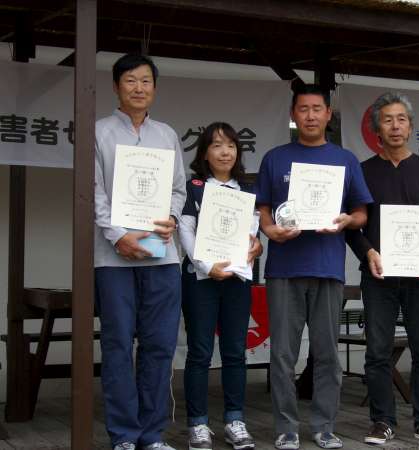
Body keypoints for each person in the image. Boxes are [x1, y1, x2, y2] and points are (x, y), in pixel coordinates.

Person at [255, 84, 372, 450]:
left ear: (328, 114)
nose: (310, 115)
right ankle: (286, 428)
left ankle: (324, 426)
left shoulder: (345, 160)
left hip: (328, 268)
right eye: (303, 109)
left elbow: (361, 212)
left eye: (316, 109)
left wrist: (346, 221)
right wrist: (269, 230)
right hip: (284, 269)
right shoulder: (275, 158)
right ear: (293, 114)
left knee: (327, 354)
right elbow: (262, 208)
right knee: (282, 355)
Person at [345, 92, 419, 445]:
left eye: (401, 119)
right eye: (388, 120)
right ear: (376, 128)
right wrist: (368, 253)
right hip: (378, 277)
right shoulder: (363, 172)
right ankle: (382, 422)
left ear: (410, 127)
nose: (395, 126)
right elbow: (353, 227)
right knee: (378, 352)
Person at [94, 54, 186, 450]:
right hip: (113, 257)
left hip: (162, 255)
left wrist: (172, 218)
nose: (138, 88)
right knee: (117, 345)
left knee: (160, 345)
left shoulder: (166, 134)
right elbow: (93, 191)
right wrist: (118, 236)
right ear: (116, 86)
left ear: (155, 88)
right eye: (130, 80)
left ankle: (151, 434)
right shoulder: (98, 132)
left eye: (146, 81)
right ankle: (123, 434)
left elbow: (179, 189)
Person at [178, 122, 262, 450]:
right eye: (216, 145)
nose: (224, 152)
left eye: (230, 145)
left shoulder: (248, 189)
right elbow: (185, 230)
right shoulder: (193, 187)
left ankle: (235, 420)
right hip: (201, 279)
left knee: (234, 351)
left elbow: (253, 234)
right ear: (204, 153)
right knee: (199, 352)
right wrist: (205, 265)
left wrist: (255, 248)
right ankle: (198, 424)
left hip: (237, 279)